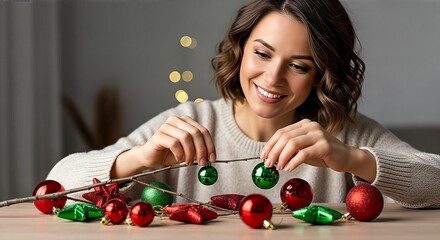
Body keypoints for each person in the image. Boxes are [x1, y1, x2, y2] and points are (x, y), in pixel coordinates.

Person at [48, 0, 440, 208]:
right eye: (262, 54)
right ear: (240, 50)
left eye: (299, 66)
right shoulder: (190, 121)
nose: (272, 79)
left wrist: (353, 159)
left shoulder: (341, 133)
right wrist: (141, 158)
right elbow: (56, 185)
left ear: (323, 74)